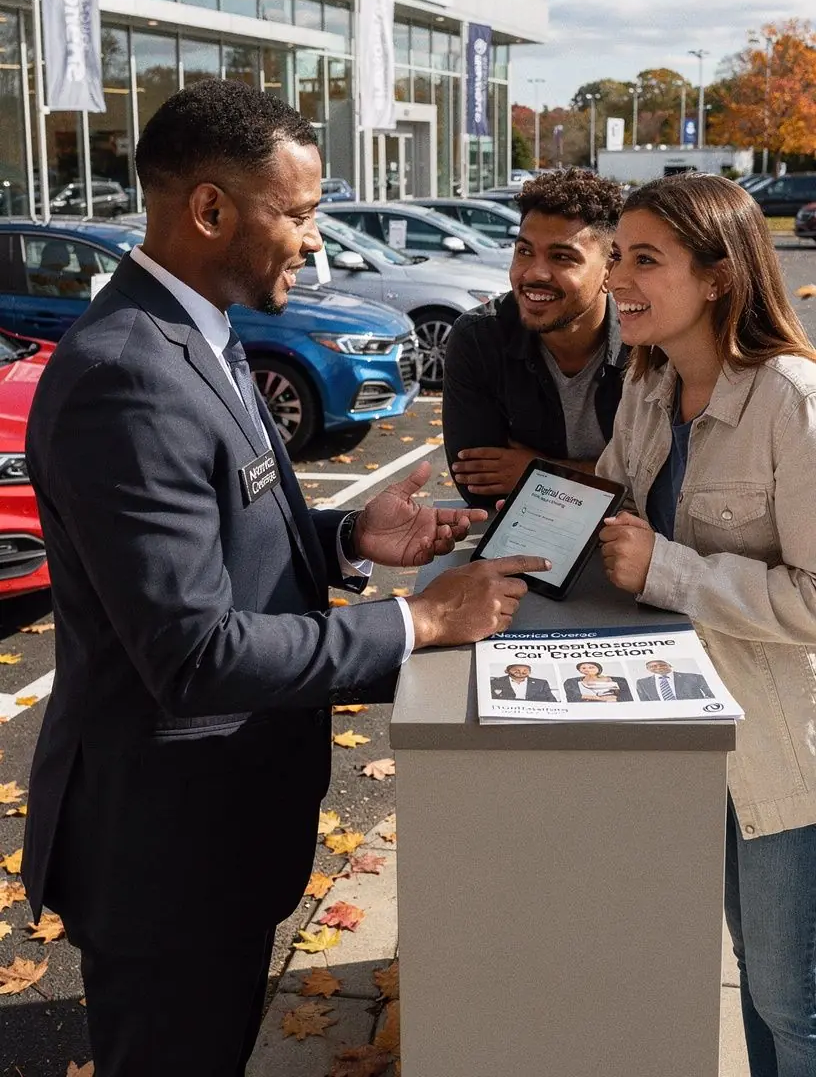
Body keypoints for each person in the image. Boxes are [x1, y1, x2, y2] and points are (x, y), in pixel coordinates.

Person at [22, 80, 550, 1077]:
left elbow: (227, 535)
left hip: (220, 830)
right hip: (163, 852)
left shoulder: (201, 335)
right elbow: (191, 648)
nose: (317, 241)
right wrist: (421, 626)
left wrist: (351, 537)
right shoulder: (127, 375)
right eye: (300, 215)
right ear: (210, 209)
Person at [597, 173, 816, 1077]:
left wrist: (671, 571)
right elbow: (611, 500)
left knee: (793, 1005)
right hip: (697, 738)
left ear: (721, 275)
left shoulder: (791, 403)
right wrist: (508, 535)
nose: (616, 279)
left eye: (646, 259)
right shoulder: (649, 386)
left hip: (788, 756)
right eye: (616, 256)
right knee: (758, 980)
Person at [443, 169, 626, 504]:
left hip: (636, 542)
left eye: (562, 257)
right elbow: (480, 486)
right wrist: (602, 477)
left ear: (609, 272)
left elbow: (662, 486)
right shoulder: (479, 339)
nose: (534, 273)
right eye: (524, 251)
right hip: (522, 537)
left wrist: (540, 471)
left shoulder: (645, 342)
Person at [636, 658, 713, 702]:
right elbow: (644, 701)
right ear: (648, 669)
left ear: (669, 666)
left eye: (662, 665)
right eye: (653, 666)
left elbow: (711, 694)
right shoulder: (642, 683)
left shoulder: (693, 677)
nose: (659, 667)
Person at [562, 660, 633, 703]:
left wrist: (616, 699)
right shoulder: (571, 682)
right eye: (583, 668)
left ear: (598, 668)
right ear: (580, 670)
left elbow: (627, 696)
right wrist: (600, 698)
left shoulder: (619, 680)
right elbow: (572, 697)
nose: (587, 670)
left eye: (591, 667)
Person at [490, 662, 557, 702]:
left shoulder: (541, 683)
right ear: (506, 671)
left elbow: (552, 700)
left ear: (530, 672)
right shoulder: (495, 682)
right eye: (516, 669)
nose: (521, 672)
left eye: (525, 670)